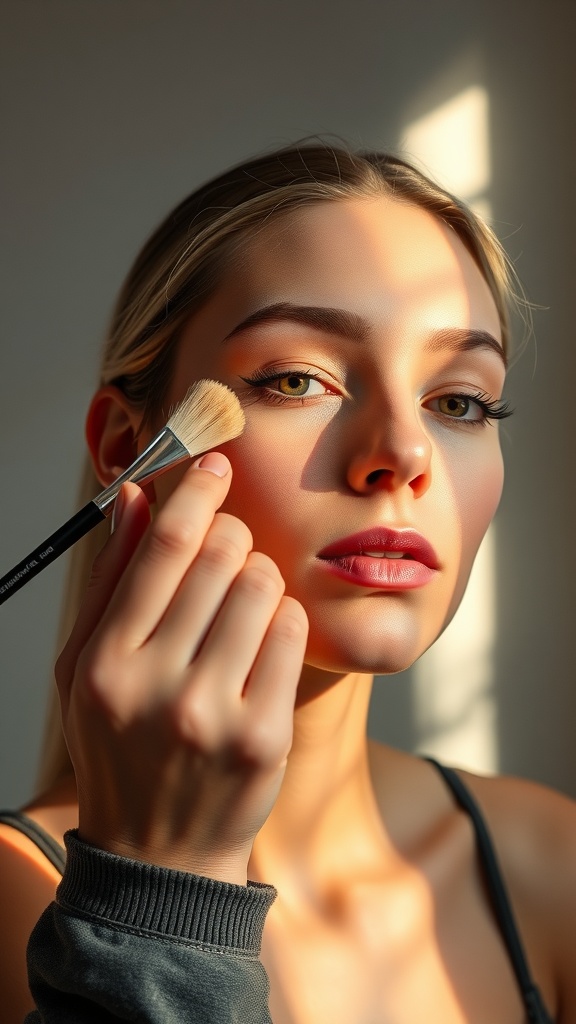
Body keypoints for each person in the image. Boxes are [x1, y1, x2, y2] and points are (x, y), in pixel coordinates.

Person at [1, 142, 574, 1024]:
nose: (404, 454)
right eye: (297, 379)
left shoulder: (547, 862)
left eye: (459, 400)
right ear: (128, 450)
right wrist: (159, 897)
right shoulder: (18, 899)